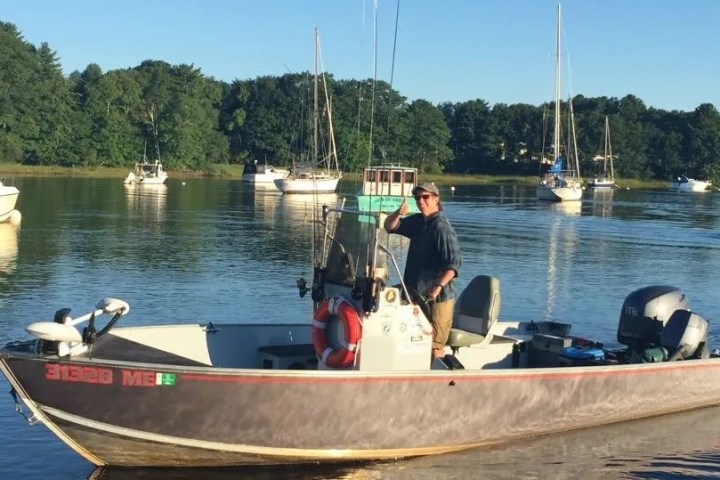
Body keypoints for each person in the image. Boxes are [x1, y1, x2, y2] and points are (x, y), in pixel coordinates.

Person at [384, 182, 462, 359]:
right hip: (414, 293)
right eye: (417, 198)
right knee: (412, 339)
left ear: (436, 199)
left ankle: (437, 378)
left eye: (425, 197)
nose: (421, 201)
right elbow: (389, 226)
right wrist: (398, 213)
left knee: (434, 346)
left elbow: (454, 265)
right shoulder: (419, 222)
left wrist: (438, 287)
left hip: (438, 299)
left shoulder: (441, 227)